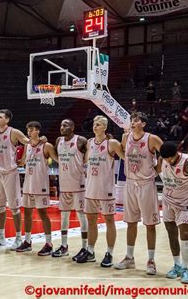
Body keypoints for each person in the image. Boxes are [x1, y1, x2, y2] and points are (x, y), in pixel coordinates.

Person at [115, 112, 163, 275]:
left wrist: (158, 169)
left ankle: (151, 260)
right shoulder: (125, 137)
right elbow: (122, 152)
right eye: (131, 120)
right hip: (130, 184)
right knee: (131, 222)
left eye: (136, 120)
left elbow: (167, 152)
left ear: (143, 123)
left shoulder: (152, 139)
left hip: (146, 184)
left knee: (149, 224)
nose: (132, 123)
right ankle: (129, 258)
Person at [0, 109, 39, 249]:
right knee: (0, 207)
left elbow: (28, 142)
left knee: (15, 208)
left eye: (0, 117)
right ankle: (1, 237)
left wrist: (23, 159)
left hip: (10, 173)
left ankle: (18, 238)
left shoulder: (14, 132)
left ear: (7, 120)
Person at [77, 116, 124, 267]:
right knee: (91, 221)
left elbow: (127, 157)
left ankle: (109, 252)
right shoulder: (90, 143)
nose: (94, 126)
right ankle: (90, 251)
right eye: (94, 124)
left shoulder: (112, 143)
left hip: (106, 190)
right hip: (90, 189)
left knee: (109, 221)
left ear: (104, 127)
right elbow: (86, 162)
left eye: (98, 125)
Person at [158, 142, 188, 284]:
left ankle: (185, 268)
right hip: (168, 203)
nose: (166, 161)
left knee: (184, 235)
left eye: (169, 159)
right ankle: (177, 265)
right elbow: (161, 174)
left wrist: (184, 191)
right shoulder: (163, 159)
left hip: (185, 204)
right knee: (171, 234)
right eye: (164, 159)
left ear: (176, 154)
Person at [16, 121, 58, 256]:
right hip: (28, 184)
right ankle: (27, 241)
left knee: (42, 214)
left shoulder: (46, 146)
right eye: (28, 130)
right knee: (27, 213)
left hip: (41, 186)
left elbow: (57, 159)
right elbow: (22, 162)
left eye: (32, 129)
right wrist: (14, 159)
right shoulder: (26, 146)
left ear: (38, 131)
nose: (29, 132)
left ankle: (49, 243)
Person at [52, 119, 88, 259]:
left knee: (81, 216)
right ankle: (64, 246)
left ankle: (85, 247)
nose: (62, 127)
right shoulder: (58, 141)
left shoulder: (81, 140)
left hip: (79, 184)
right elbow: (55, 154)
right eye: (61, 125)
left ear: (72, 128)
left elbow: (90, 154)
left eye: (65, 125)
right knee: (64, 216)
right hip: (64, 184)